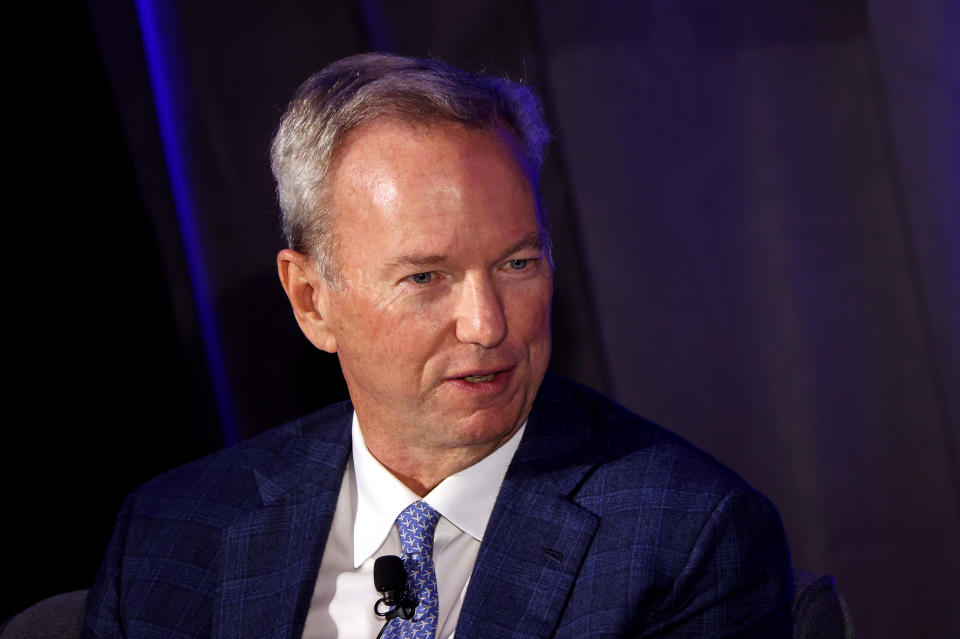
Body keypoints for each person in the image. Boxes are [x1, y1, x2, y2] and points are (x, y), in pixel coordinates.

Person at [82, 53, 792, 638]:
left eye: (517, 263)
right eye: (426, 276)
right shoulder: (171, 534)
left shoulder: (686, 536)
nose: (487, 324)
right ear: (311, 300)